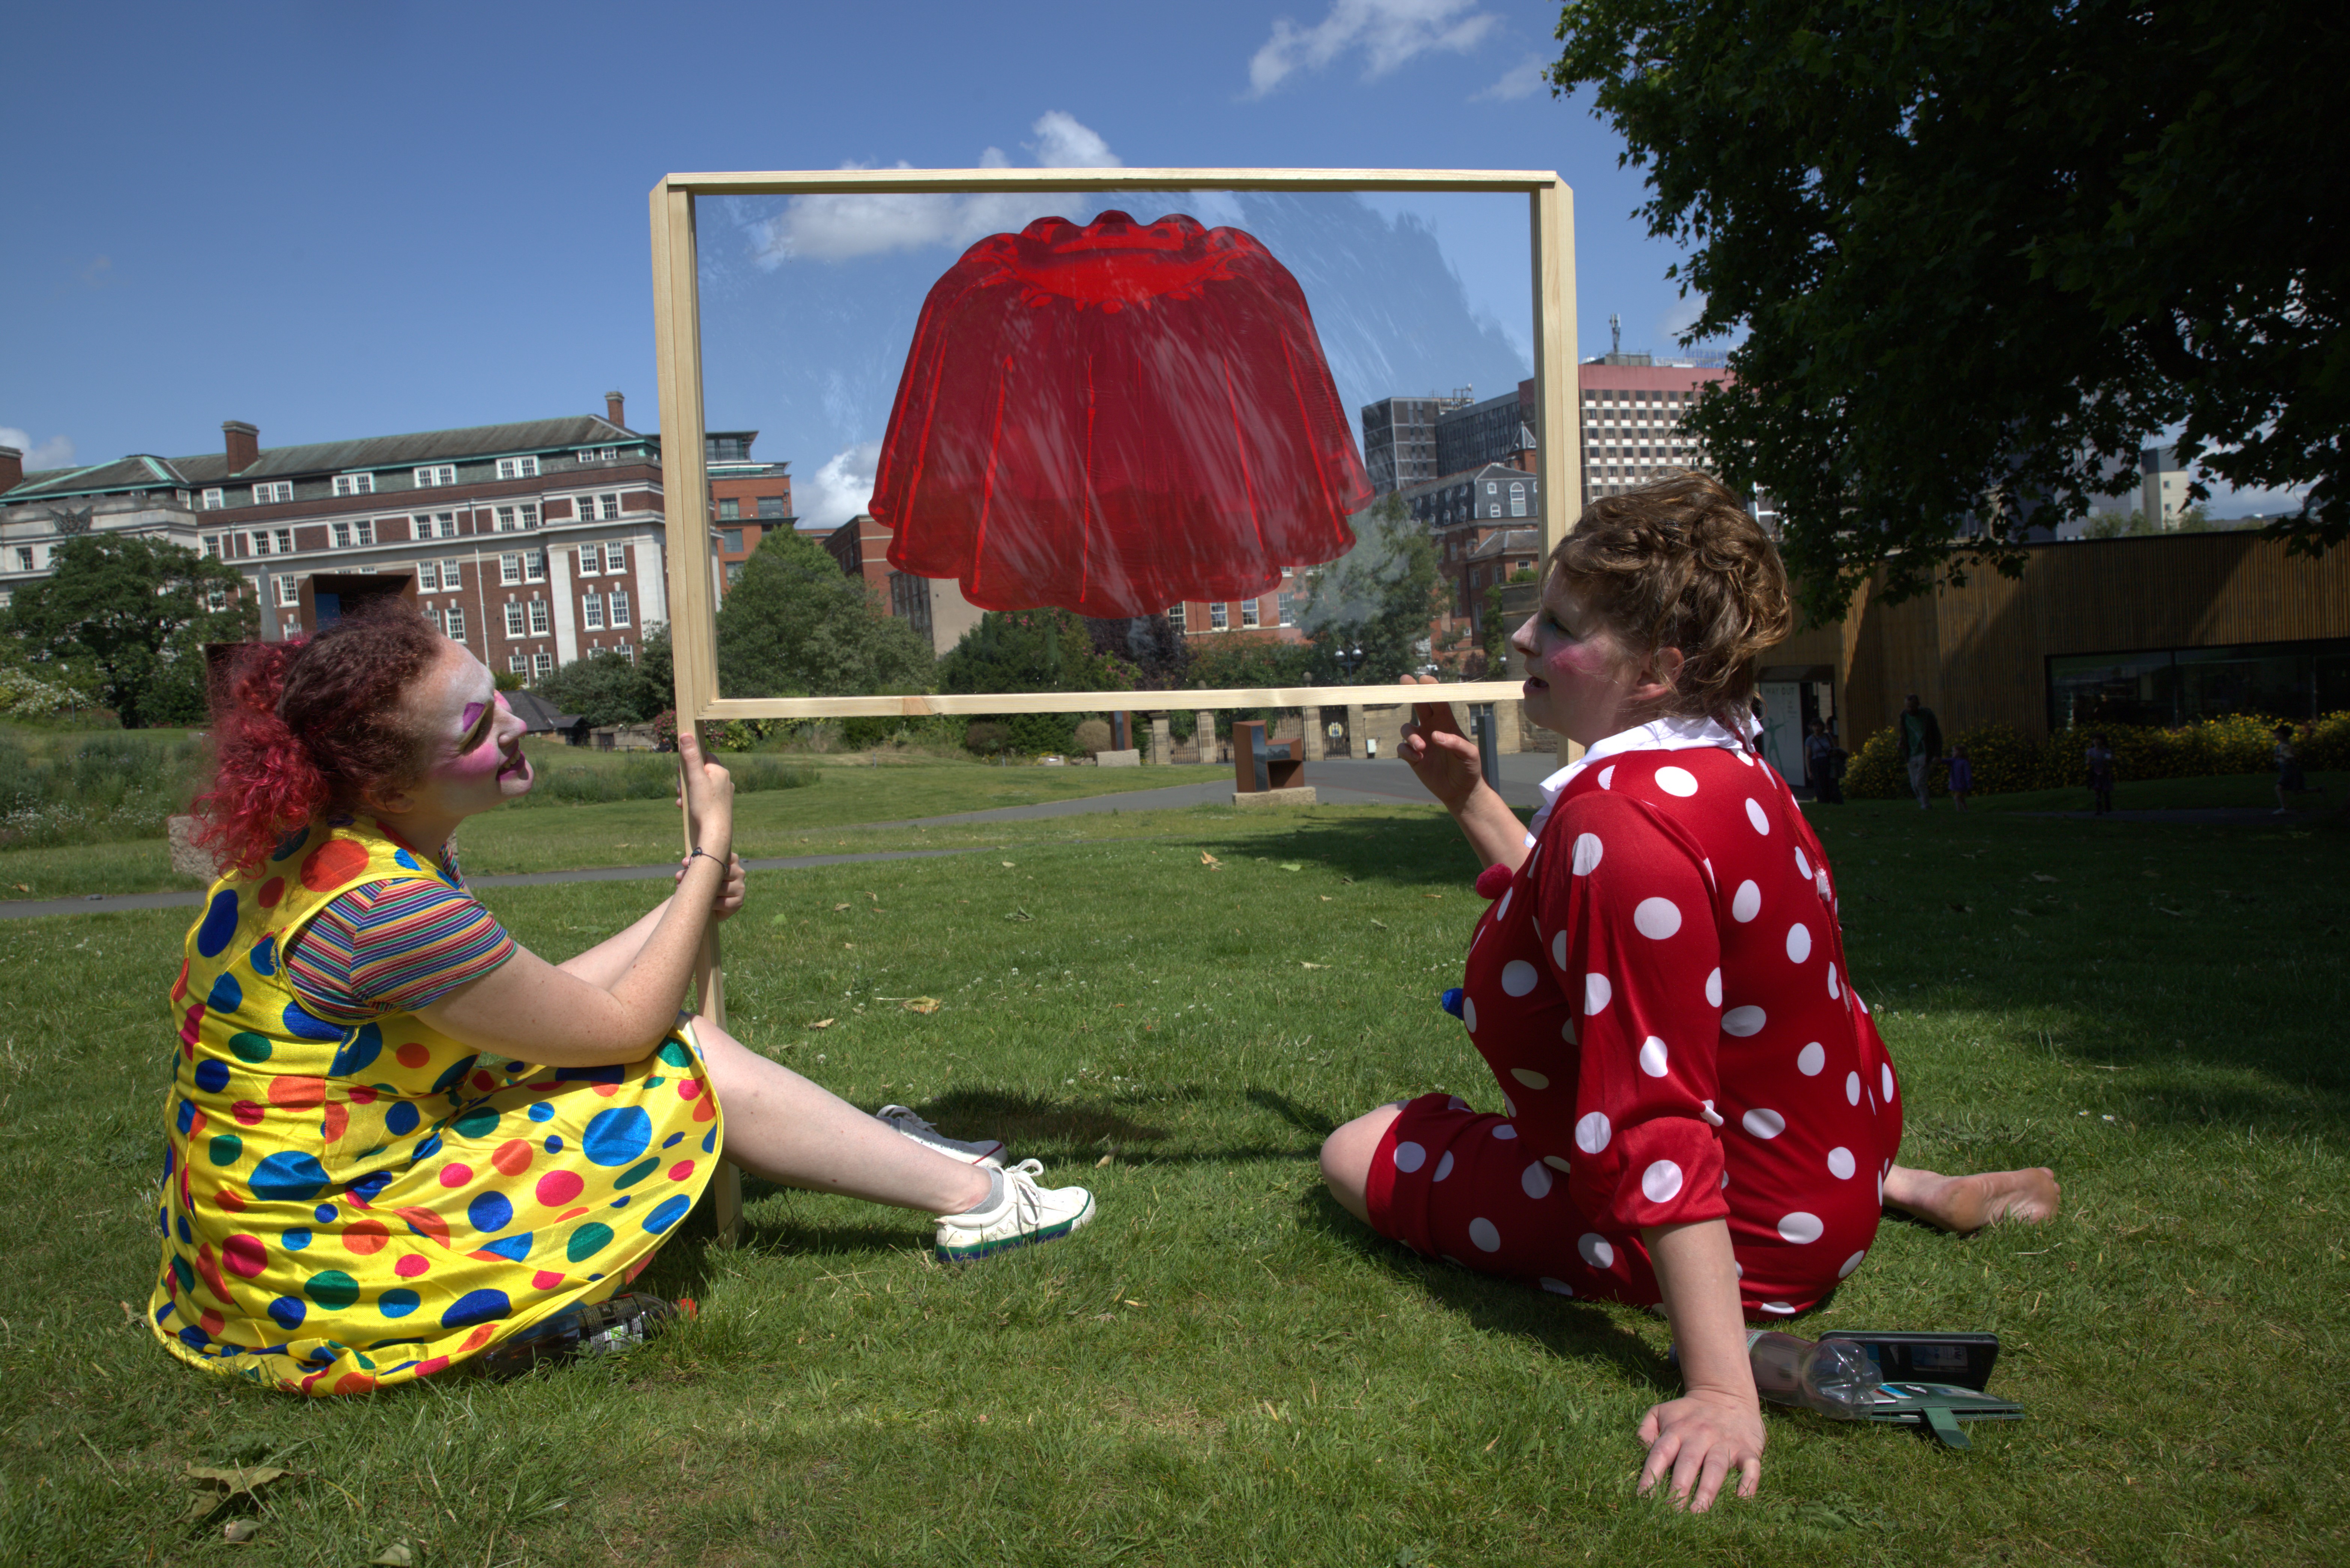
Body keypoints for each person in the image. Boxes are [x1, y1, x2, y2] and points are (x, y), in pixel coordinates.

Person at [1319, 474, 2058, 1514]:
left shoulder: (1617, 828)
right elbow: (1593, 914)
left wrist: (1715, 1387)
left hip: (1748, 1233)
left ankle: (1742, 1328)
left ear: (1659, 667)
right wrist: (1470, 797)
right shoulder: (1727, 766)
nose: (1524, 637)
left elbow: (1652, 1112)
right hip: (1828, 1166)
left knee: (1358, 1148)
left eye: (1561, 624)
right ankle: (1905, 1187)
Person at [152, 609, 1093, 1396]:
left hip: (253, 1250)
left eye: (498, 697)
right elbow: (618, 1030)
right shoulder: (384, 908)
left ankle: (902, 1161)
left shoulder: (325, 854)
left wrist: (678, 902)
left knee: (654, 1051)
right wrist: (709, 851)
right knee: (683, 1058)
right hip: (331, 1253)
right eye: (478, 728)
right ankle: (978, 1201)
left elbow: (531, 1006)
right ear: (391, 780)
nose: (516, 725)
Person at [1899, 694, 1942, 809]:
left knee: (1920, 782)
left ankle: (1926, 805)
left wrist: (1938, 754)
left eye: (1912, 707)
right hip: (1911, 753)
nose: (1910, 710)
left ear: (1918, 705)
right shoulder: (1904, 716)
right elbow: (1904, 733)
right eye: (1908, 707)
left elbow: (1937, 736)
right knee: (1914, 784)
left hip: (1925, 752)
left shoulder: (1927, 716)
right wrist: (1901, 742)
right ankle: (1923, 801)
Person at [2274, 723, 2324, 813]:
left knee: (2279, 788)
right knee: (2297, 791)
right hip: (2293, 771)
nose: (2274, 735)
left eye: (2276, 733)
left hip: (2289, 771)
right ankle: (2319, 789)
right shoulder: (2284, 745)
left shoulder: (2283, 746)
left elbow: (2290, 757)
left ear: (2281, 735)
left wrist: (2281, 756)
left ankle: (2285, 808)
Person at [1804, 720, 1843, 806]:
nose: (1817, 728)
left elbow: (1834, 748)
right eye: (1815, 726)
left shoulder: (1827, 737)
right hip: (1817, 763)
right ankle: (1823, 801)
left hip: (1829, 762)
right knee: (1820, 784)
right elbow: (1808, 756)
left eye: (1819, 726)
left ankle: (1836, 800)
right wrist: (1809, 771)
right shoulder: (1810, 740)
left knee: (1832, 782)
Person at [2085, 733, 2116, 816]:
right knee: (2097, 791)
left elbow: (2110, 759)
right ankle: (2099, 809)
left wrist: (2108, 759)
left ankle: (2107, 806)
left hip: (2104, 773)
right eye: (2095, 739)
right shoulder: (2091, 751)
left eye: (2098, 740)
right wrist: (2090, 761)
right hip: (2095, 773)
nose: (2096, 741)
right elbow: (2088, 762)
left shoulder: (2106, 751)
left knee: (2106, 791)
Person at [1943, 743, 1973, 811]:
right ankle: (1966, 810)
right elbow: (1944, 761)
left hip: (1962, 785)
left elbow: (1968, 774)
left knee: (1957, 798)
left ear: (1961, 753)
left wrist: (1969, 783)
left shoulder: (1965, 763)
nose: (1952, 753)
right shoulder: (1953, 761)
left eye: (1955, 751)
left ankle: (1959, 810)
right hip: (1956, 784)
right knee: (1961, 799)